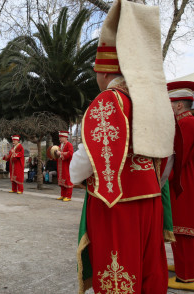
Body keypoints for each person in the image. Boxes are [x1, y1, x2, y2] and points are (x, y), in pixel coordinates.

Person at [70, 1, 175, 293]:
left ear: (103, 72)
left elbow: (84, 162)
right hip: (151, 198)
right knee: (147, 272)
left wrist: (72, 174)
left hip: (117, 205)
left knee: (119, 276)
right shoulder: (150, 103)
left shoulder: (108, 100)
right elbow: (167, 160)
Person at [166, 81, 194, 291]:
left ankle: (186, 275)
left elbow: (178, 158)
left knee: (184, 228)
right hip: (186, 180)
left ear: (178, 106)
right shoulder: (188, 122)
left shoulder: (186, 123)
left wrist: (162, 179)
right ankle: (186, 266)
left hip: (185, 182)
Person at [54, 131, 73, 201]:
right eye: (59, 137)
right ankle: (63, 195)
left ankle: (68, 196)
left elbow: (70, 153)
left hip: (66, 165)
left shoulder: (69, 145)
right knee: (62, 181)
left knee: (67, 180)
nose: (60, 139)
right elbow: (57, 154)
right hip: (60, 166)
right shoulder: (60, 146)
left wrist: (61, 153)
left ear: (65, 137)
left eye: (61, 137)